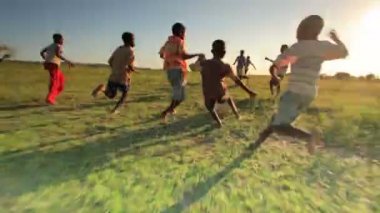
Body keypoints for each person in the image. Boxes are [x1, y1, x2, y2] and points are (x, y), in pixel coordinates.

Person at [251, 15, 348, 153]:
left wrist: (274, 76)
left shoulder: (297, 48)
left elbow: (275, 66)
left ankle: (309, 137)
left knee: (280, 126)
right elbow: (344, 53)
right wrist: (336, 39)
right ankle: (258, 142)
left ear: (303, 30)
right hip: (309, 94)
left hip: (294, 92)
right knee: (277, 118)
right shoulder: (323, 47)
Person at [199, 40, 257, 128]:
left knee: (210, 108)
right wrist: (249, 92)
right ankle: (237, 115)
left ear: (212, 51)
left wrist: (199, 59)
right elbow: (237, 81)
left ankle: (219, 123)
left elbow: (192, 67)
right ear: (224, 53)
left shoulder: (204, 63)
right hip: (220, 92)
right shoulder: (225, 66)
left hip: (207, 93)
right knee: (228, 98)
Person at [159, 22, 203, 122]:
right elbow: (184, 56)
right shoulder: (180, 41)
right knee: (179, 96)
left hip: (170, 70)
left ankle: (171, 109)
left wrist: (170, 58)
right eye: (184, 32)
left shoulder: (167, 42)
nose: (185, 35)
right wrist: (197, 54)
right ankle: (166, 112)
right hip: (178, 70)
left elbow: (161, 54)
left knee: (180, 95)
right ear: (180, 32)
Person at [92, 32, 136, 114]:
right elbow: (130, 66)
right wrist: (133, 69)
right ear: (129, 40)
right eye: (133, 39)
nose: (134, 41)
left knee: (111, 95)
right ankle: (115, 110)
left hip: (113, 76)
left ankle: (102, 88)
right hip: (123, 78)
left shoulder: (118, 49)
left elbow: (110, 61)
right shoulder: (130, 51)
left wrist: (116, 68)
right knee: (125, 94)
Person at [40, 33, 74, 105]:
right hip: (53, 65)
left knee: (61, 81)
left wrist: (45, 58)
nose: (63, 40)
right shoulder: (58, 46)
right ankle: (49, 99)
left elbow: (42, 52)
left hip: (51, 64)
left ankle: (51, 97)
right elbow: (58, 54)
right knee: (55, 82)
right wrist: (68, 61)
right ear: (58, 40)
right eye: (62, 39)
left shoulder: (50, 46)